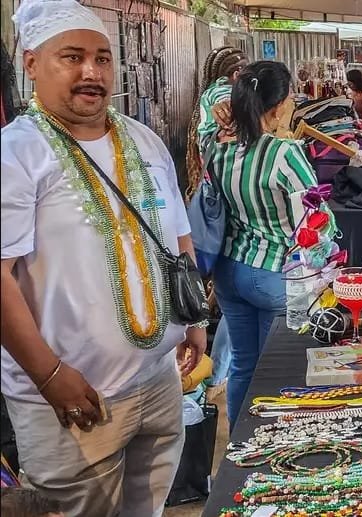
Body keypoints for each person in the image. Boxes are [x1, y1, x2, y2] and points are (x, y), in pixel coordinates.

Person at [1, 1, 204, 514]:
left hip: (158, 380)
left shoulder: (143, 140)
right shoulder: (16, 153)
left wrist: (195, 316)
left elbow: (178, 233)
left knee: (149, 506)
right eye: (71, 57)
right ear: (31, 63)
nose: (91, 72)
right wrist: (50, 376)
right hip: (71, 399)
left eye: (102, 58)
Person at [202, 61, 317, 426]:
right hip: (271, 273)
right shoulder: (285, 154)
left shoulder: (217, 150)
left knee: (243, 364)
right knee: (277, 373)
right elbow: (314, 219)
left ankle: (238, 440)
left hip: (228, 271)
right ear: (280, 106)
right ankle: (264, 450)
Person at [188, 46, 248, 399]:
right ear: (235, 74)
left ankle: (211, 376)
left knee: (226, 299)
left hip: (215, 203)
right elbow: (227, 139)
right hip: (225, 208)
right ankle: (212, 378)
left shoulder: (211, 93)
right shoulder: (224, 97)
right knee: (230, 304)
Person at [186, 46, 247, 197]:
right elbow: (226, 102)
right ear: (236, 74)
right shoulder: (223, 90)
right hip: (221, 165)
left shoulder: (211, 90)